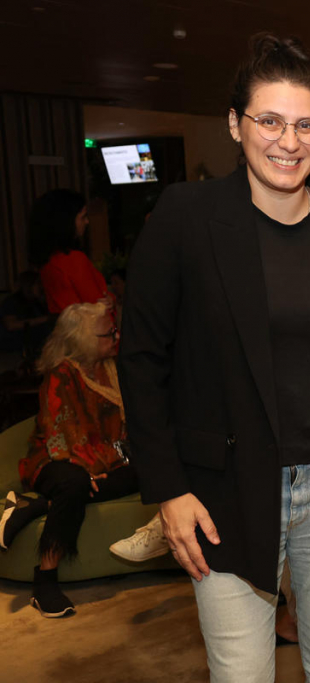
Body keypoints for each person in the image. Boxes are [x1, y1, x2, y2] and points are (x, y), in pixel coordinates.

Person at [118, 33, 310, 682]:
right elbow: (141, 357)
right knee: (241, 673)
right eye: (270, 120)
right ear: (235, 124)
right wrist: (169, 488)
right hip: (222, 486)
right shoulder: (186, 215)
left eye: (306, 125)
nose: (288, 142)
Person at [0, 302, 132, 618]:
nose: (115, 337)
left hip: (105, 460)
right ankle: (44, 581)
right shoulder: (60, 375)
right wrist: (91, 469)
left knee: (151, 468)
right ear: (83, 340)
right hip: (54, 460)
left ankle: (37, 505)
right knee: (73, 483)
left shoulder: (112, 368)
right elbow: (63, 436)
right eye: (107, 334)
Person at [28, 189, 109, 313]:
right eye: (83, 217)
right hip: (87, 329)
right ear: (65, 222)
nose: (87, 222)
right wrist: (110, 302)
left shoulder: (48, 261)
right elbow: (98, 306)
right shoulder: (72, 260)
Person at [0, 271, 54, 358]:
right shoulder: (12, 301)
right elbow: (11, 325)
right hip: (15, 346)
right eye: (38, 283)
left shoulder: (37, 302)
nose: (41, 287)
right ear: (29, 285)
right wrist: (44, 319)